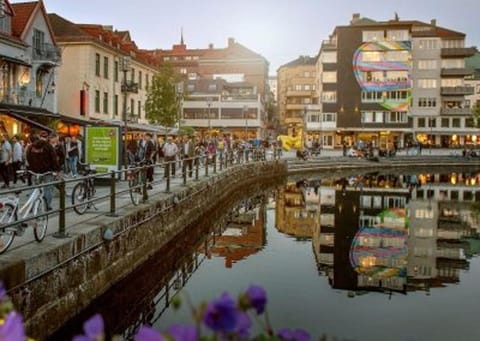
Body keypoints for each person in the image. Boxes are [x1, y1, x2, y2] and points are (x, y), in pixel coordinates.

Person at [26, 132, 60, 210]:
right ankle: (47, 206)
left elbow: (28, 158)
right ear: (47, 137)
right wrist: (57, 171)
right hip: (47, 172)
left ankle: (31, 206)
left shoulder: (31, 147)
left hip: (35, 172)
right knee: (48, 189)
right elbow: (54, 159)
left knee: (35, 188)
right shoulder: (48, 146)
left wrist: (32, 168)